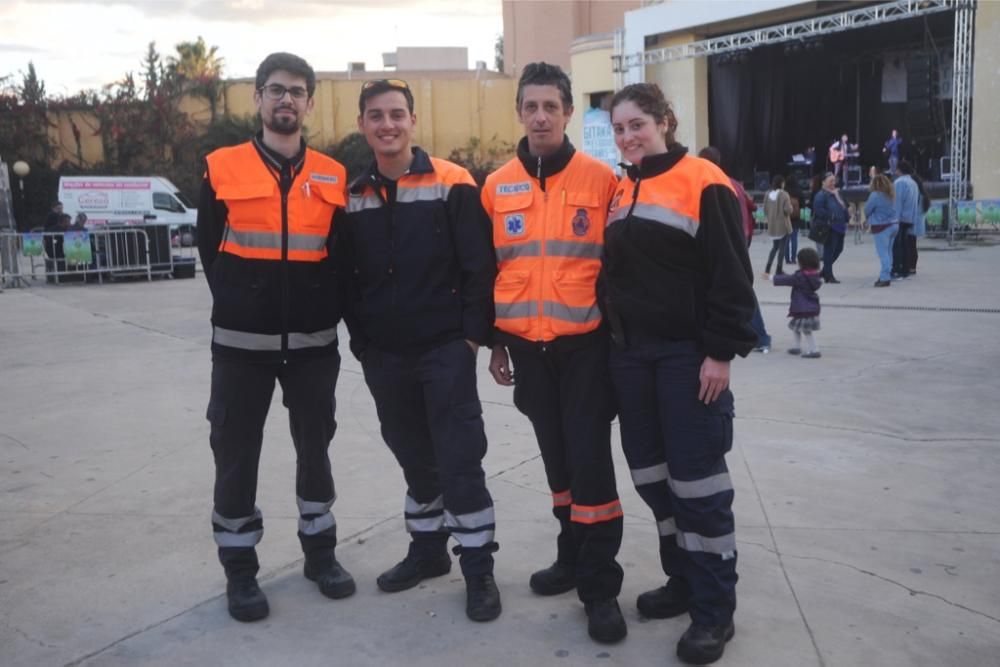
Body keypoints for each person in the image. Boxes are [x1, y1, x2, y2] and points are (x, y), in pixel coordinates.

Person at [197, 52, 354, 623]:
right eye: (274, 90)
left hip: (313, 346)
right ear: (258, 100)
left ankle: (321, 556)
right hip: (241, 347)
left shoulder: (334, 176)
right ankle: (241, 573)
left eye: (295, 91)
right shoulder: (221, 166)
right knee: (236, 456)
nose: (285, 99)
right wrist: (243, 303)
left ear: (310, 102)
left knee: (316, 452)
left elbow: (340, 259)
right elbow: (212, 249)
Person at [338, 78, 501, 622]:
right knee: (414, 459)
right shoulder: (353, 194)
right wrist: (364, 345)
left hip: (445, 351)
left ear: (413, 122)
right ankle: (428, 552)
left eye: (397, 115)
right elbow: (347, 279)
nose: (388, 124)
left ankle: (478, 569)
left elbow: (479, 269)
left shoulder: (453, 181)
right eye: (377, 115)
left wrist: (471, 341)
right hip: (385, 357)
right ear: (363, 124)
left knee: (459, 462)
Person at [604, 83, 756, 665]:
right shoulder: (622, 189)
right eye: (618, 128)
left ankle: (715, 611)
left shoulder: (703, 181)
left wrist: (719, 352)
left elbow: (731, 277)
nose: (627, 136)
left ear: (664, 121)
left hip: (686, 359)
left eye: (637, 124)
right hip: (632, 359)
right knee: (653, 479)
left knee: (699, 487)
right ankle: (683, 581)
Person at [482, 62, 626, 643]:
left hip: (585, 348)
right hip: (526, 351)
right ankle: (570, 557)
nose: (540, 116)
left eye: (551, 106)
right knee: (557, 464)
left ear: (568, 112)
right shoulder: (495, 187)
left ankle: (600, 589)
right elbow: (487, 271)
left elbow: (619, 269)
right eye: (531, 106)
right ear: (519, 112)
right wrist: (495, 341)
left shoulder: (603, 180)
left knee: (591, 464)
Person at [698, 146, 771, 354]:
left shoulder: (711, 183)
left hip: (725, 242)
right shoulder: (736, 184)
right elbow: (752, 206)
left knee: (735, 289)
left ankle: (759, 336)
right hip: (741, 238)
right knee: (738, 286)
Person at [766, 248, 822, 358]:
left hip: (802, 308)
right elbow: (792, 278)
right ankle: (796, 346)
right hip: (809, 307)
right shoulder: (814, 275)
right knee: (796, 327)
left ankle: (814, 349)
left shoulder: (801, 276)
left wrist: (771, 277)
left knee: (806, 330)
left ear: (802, 262)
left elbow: (788, 279)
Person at [812, 172, 849, 283]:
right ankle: (828, 275)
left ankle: (825, 271)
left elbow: (844, 206)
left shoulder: (836, 193)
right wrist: (831, 216)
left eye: (834, 180)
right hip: (829, 226)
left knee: (838, 249)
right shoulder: (821, 195)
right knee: (829, 251)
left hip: (840, 226)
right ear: (824, 182)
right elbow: (818, 210)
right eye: (831, 181)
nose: (833, 183)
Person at [864, 173, 899, 287]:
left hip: (881, 226)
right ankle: (888, 274)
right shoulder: (891, 194)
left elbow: (867, 209)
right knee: (889, 252)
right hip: (894, 225)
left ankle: (885, 278)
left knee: (883, 253)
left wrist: (867, 219)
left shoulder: (875, 195)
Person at [892, 160, 920, 280]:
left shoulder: (899, 183)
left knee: (897, 245)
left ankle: (897, 269)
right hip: (910, 217)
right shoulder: (913, 183)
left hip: (900, 218)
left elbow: (897, 202)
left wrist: (894, 219)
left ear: (900, 170)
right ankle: (905, 269)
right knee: (905, 244)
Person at [763, 174, 792, 276]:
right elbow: (787, 210)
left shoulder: (767, 194)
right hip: (783, 225)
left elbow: (765, 210)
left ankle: (767, 268)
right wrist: (791, 208)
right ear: (781, 183)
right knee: (782, 248)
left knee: (775, 247)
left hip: (772, 226)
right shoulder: (784, 195)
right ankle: (779, 269)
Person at [909, 172, 931, 275]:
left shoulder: (915, 193)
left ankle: (910, 267)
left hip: (912, 223)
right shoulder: (924, 195)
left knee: (910, 246)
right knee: (913, 246)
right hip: (919, 223)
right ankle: (913, 267)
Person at [785, 179, 804, 265]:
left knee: (786, 239)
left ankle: (787, 259)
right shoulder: (799, 192)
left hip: (786, 218)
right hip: (796, 218)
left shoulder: (784, 192)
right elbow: (803, 206)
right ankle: (793, 259)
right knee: (794, 238)